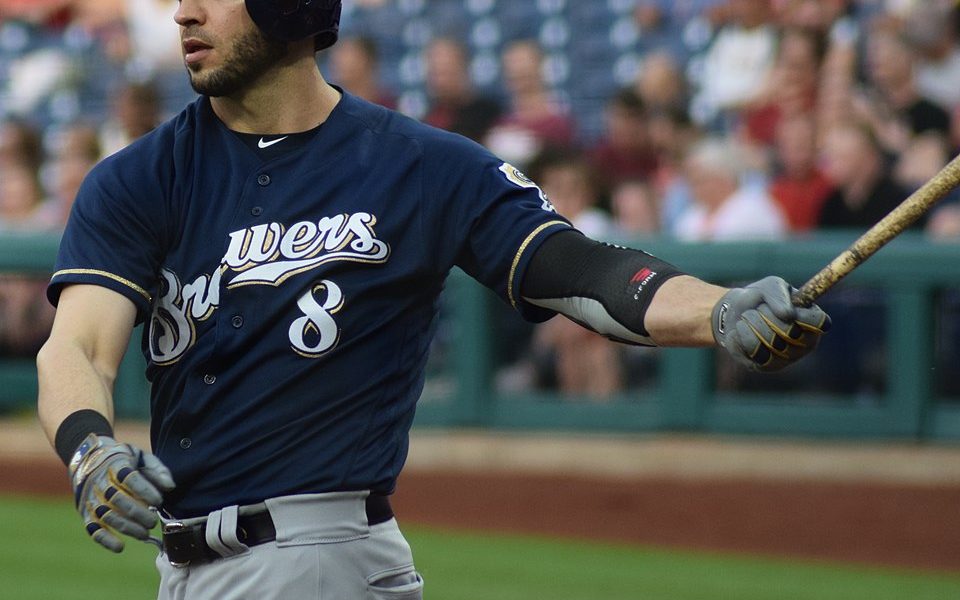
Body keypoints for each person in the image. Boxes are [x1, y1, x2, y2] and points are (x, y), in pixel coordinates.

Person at [35, 2, 830, 599]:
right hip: (182, 572)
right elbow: (76, 347)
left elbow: (581, 271)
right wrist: (87, 447)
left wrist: (717, 308)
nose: (183, 11)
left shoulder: (418, 165)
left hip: (319, 561)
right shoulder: (138, 179)